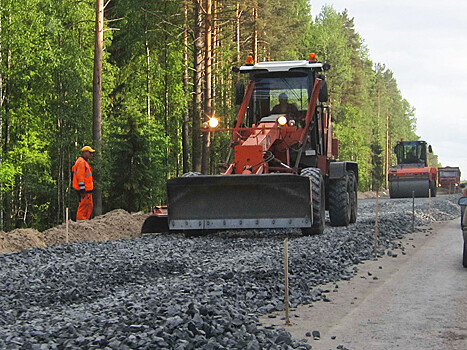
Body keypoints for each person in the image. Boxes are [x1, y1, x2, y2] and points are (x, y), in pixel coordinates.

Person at [72, 146, 95, 221]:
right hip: (84, 190)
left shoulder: (83, 161)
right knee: (83, 207)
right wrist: (82, 190)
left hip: (87, 190)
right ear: (85, 153)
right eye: (90, 153)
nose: (92, 155)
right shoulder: (82, 162)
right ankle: (80, 223)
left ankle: (84, 221)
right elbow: (80, 177)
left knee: (88, 206)